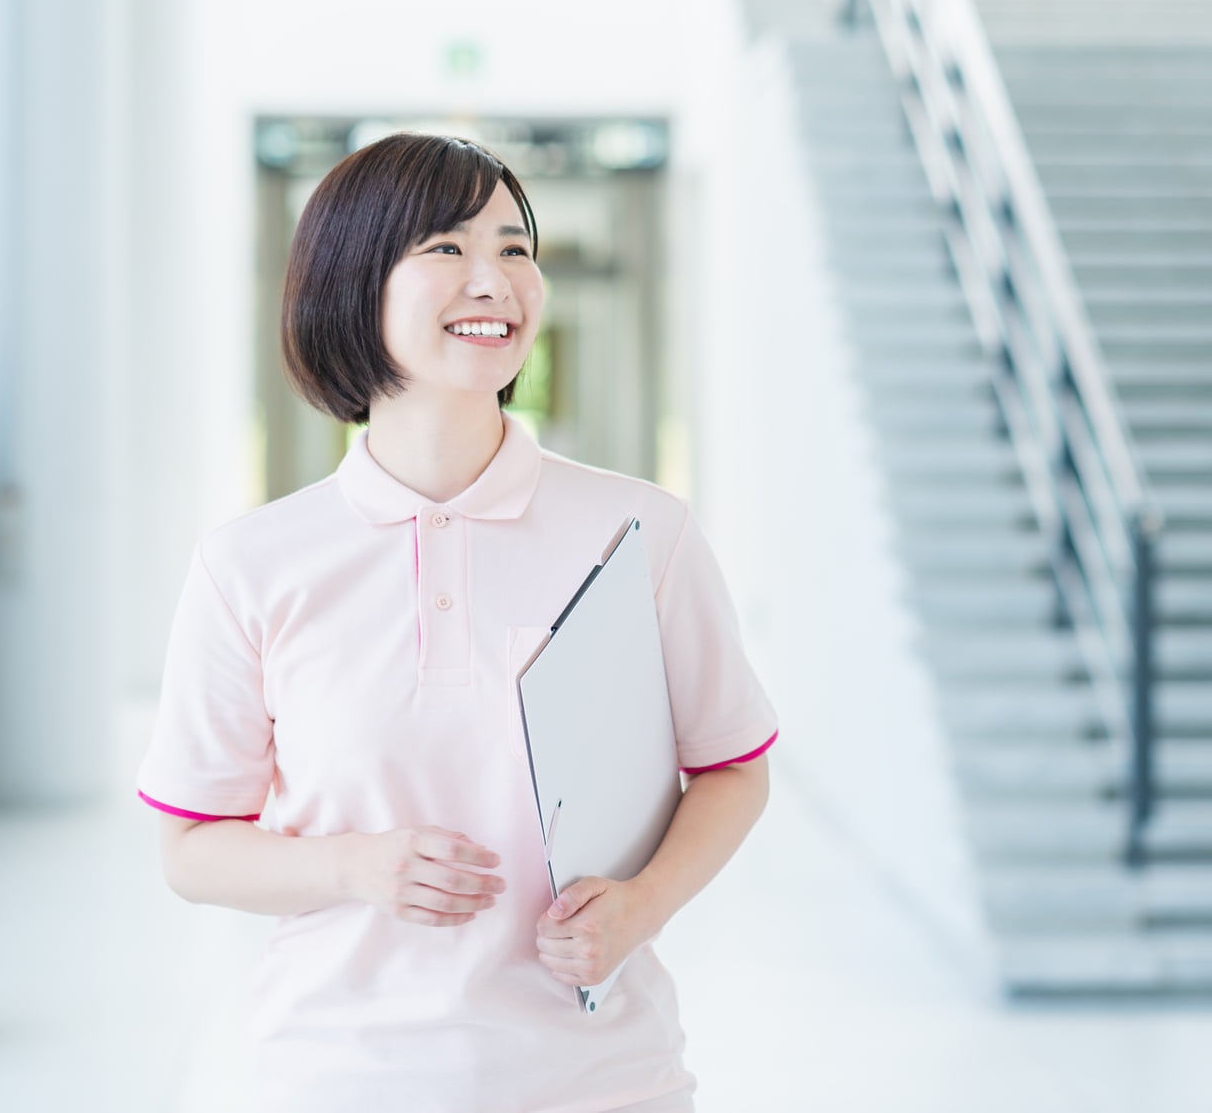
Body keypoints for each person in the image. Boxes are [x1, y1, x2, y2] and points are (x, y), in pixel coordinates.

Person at [134, 132, 780, 1113]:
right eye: (445, 248)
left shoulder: (642, 530)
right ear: (352, 283)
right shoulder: (251, 566)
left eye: (516, 248)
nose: (497, 279)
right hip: (340, 1078)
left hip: (603, 1081)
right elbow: (191, 846)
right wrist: (354, 864)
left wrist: (642, 905)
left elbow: (732, 766)